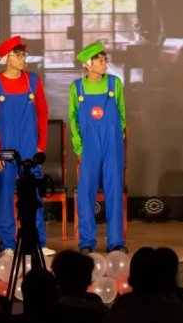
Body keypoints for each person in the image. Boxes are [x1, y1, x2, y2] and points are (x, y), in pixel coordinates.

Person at [0, 36, 54, 257]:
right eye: (18, 55)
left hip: (30, 148)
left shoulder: (33, 80)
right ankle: (7, 244)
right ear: (7, 59)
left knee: (34, 197)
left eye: (24, 54)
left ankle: (38, 242)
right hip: (5, 150)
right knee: (5, 197)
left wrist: (41, 144)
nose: (23, 59)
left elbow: (42, 112)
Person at [69, 42, 127, 254]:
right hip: (89, 146)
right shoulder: (77, 87)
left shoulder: (114, 83)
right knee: (86, 193)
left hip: (112, 145)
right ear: (87, 64)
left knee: (114, 191)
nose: (104, 64)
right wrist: (79, 147)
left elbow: (122, 115)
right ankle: (86, 241)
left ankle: (116, 242)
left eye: (105, 60)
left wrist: (116, 138)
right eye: (100, 61)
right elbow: (73, 118)